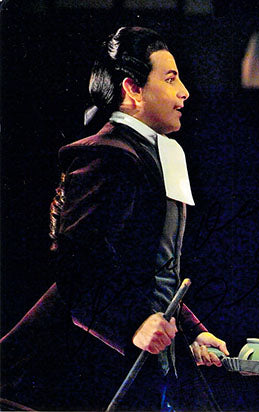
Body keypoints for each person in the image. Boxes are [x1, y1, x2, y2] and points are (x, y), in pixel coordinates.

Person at [1, 26, 228, 411]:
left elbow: (155, 271)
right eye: (170, 79)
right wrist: (132, 324)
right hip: (82, 356)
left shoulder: (153, 155)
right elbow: (78, 268)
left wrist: (192, 332)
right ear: (133, 89)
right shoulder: (108, 156)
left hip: (134, 352)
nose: (184, 92)